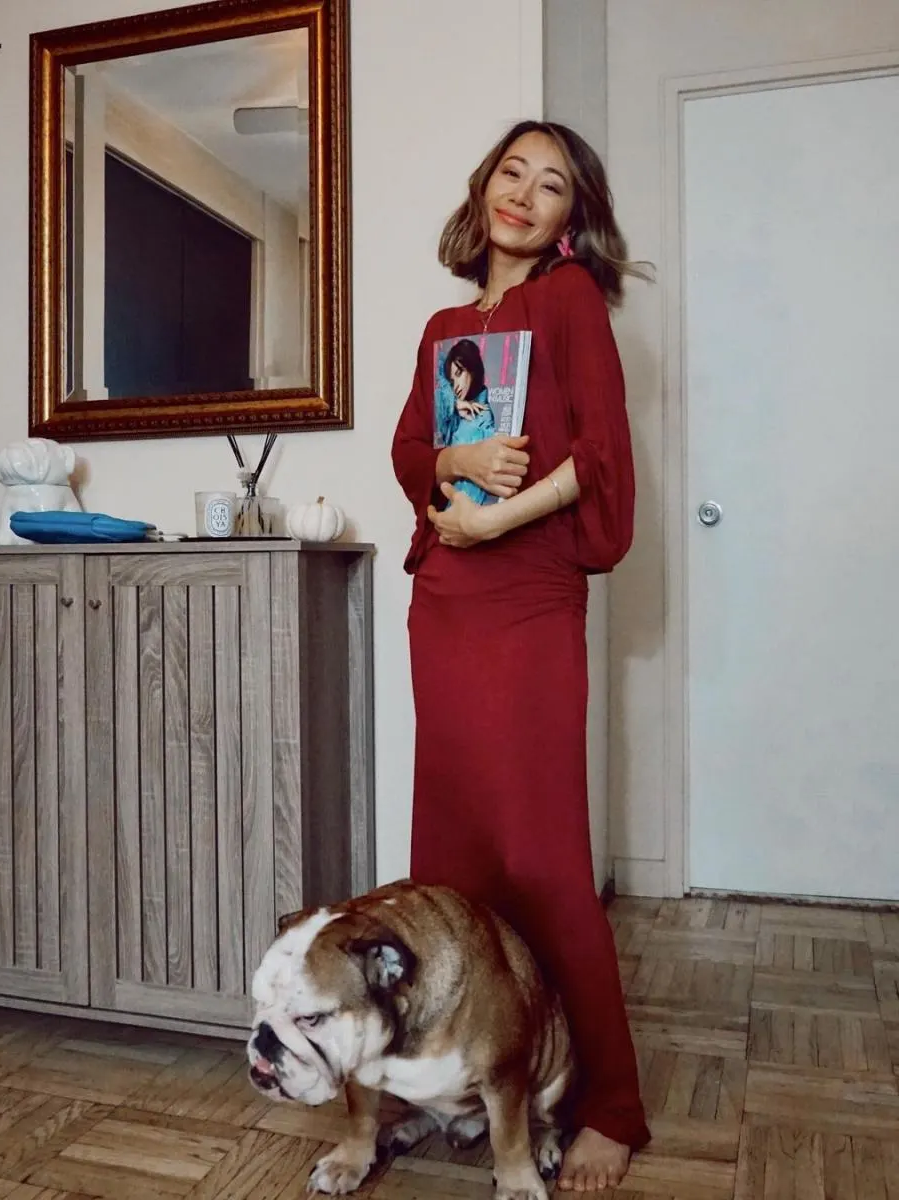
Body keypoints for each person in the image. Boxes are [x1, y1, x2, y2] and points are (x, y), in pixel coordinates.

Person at [391, 119, 651, 1193]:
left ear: (569, 220)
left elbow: (599, 454)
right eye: (513, 173)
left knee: (543, 860)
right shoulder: (450, 322)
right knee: (450, 860)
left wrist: (501, 518)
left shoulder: (569, 301)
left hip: (527, 597)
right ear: (484, 186)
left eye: (552, 186)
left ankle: (614, 1106)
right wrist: (454, 460)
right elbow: (412, 450)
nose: (525, 195)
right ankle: (455, 1077)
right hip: (445, 601)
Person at [439, 338, 496, 504]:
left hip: (467, 513)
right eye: (452, 380)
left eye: (459, 373)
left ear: (473, 369)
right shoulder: (458, 411)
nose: (456, 386)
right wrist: (455, 405)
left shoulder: (481, 417)